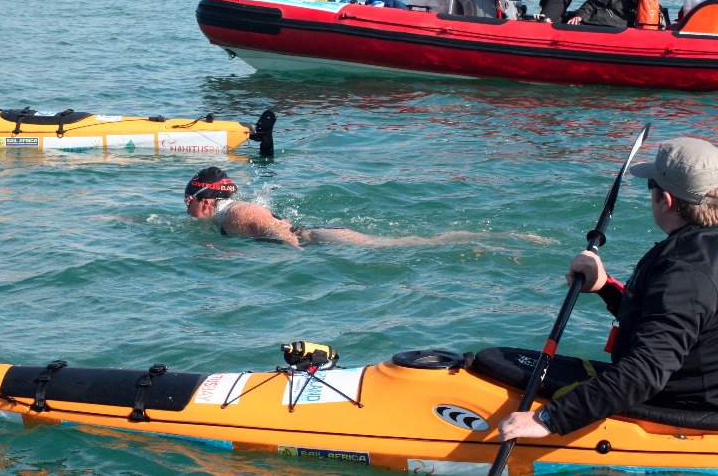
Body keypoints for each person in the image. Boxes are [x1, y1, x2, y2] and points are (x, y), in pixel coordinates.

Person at [499, 137, 718, 441]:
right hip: (699, 386)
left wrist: (549, 418)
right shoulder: (700, 257)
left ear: (665, 200)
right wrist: (606, 288)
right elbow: (692, 322)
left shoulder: (684, 269)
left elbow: (645, 373)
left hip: (686, 405)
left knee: (496, 361)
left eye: (651, 186)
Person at [184, 167, 512, 248]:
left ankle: (490, 239)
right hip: (319, 237)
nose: (186, 208)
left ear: (205, 201)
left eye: (189, 201)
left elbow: (281, 231)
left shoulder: (238, 213)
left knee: (405, 244)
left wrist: (296, 262)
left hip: (321, 238)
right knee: (404, 243)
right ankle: (485, 239)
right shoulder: (229, 215)